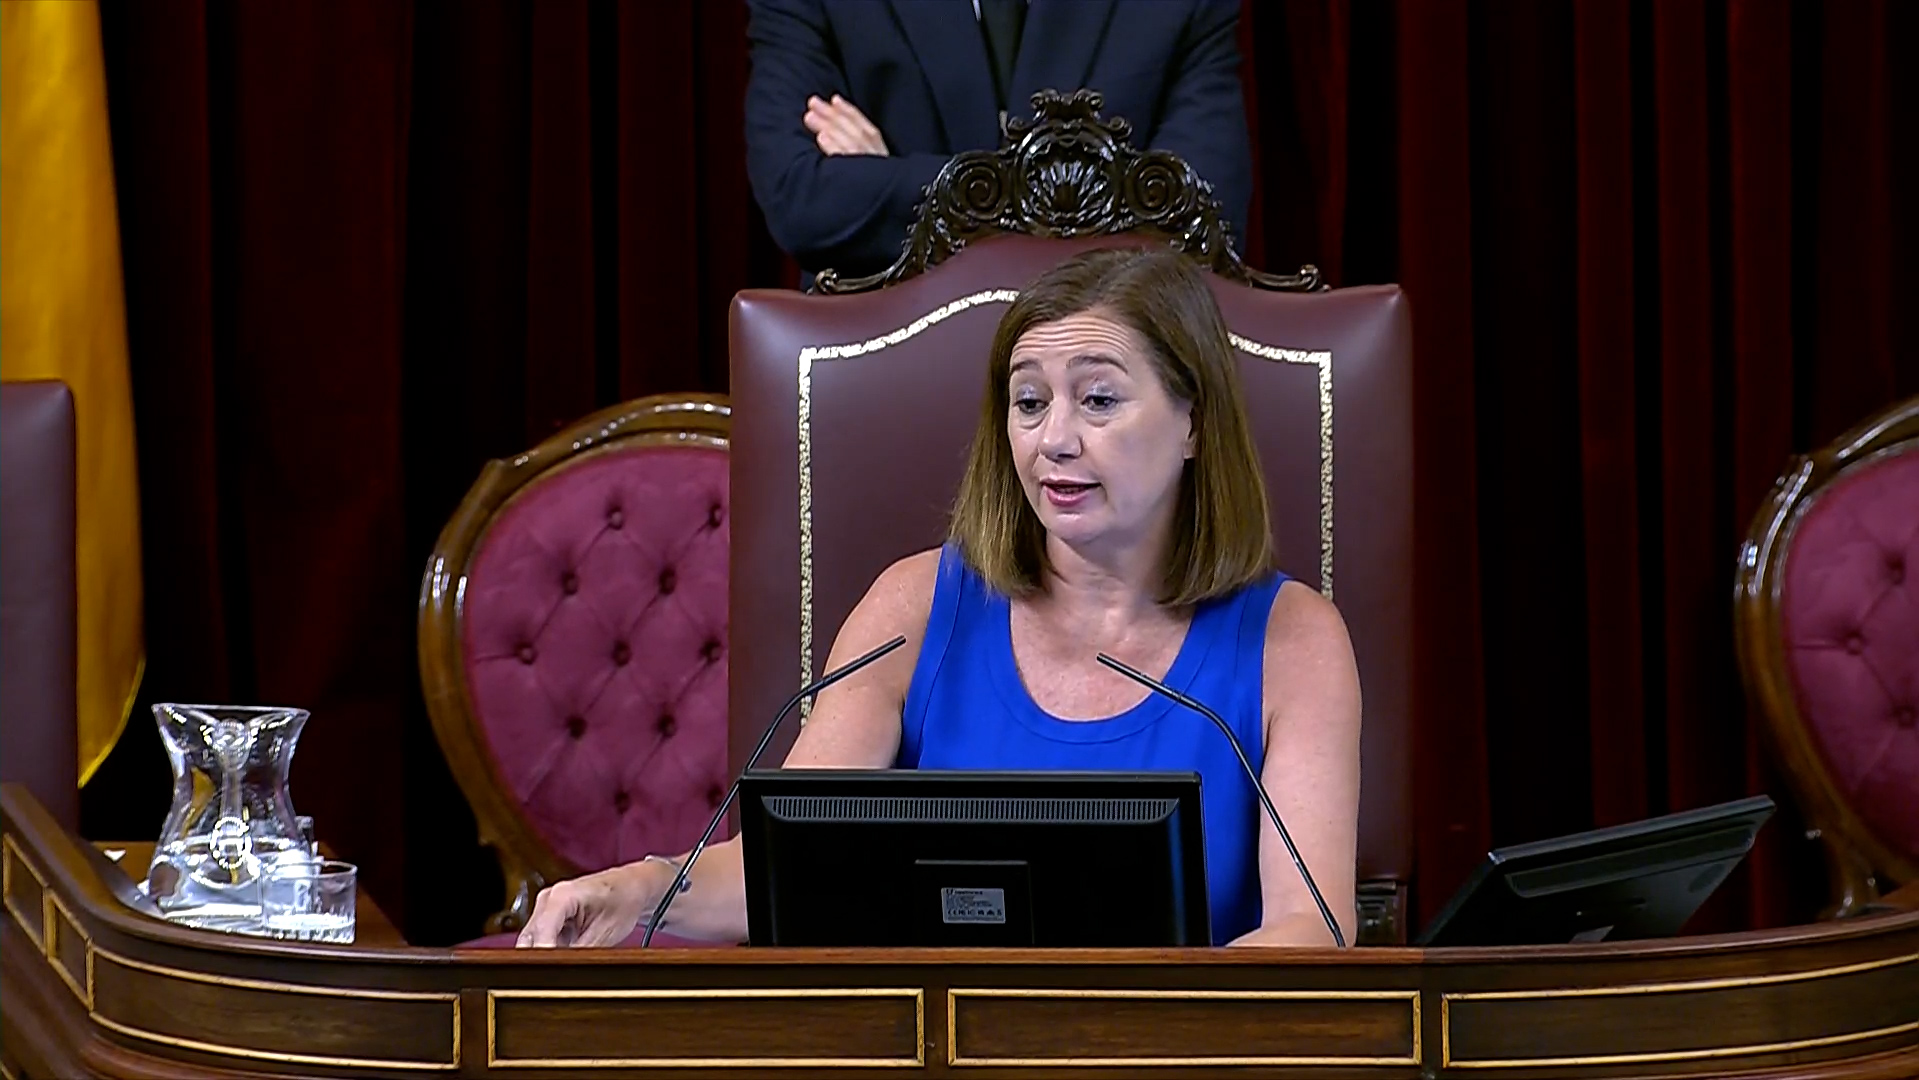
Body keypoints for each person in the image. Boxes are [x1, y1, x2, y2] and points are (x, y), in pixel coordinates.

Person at [517, 248, 1362, 949]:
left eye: (1099, 399)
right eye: (1028, 402)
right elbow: (777, 875)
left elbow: (1311, 928)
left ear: (1193, 423)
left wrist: (1127, 1026)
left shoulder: (1292, 639)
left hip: (1165, 1064)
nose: (1054, 439)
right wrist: (642, 888)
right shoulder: (914, 609)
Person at [745, 0, 1255, 281]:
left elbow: (1202, 218)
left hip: (1107, 374)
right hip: (885, 377)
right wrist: (1084, 194)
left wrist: (894, 177)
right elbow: (801, 197)